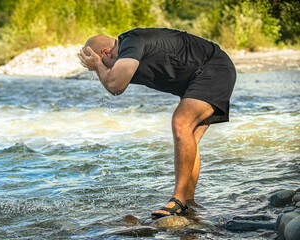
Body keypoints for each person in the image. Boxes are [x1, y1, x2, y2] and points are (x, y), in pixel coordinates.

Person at [78, 27, 236, 219]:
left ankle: (177, 201)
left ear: (106, 52)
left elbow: (115, 85)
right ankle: (188, 203)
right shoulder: (126, 51)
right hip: (202, 75)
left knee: (181, 122)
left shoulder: (132, 42)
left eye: (101, 61)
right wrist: (98, 65)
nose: (101, 69)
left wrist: (97, 65)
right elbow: (114, 83)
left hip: (213, 68)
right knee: (190, 137)